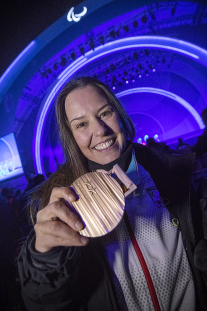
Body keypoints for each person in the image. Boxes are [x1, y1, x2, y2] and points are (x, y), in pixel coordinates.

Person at [18, 77, 207, 311]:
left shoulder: (172, 172)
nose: (99, 130)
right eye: (81, 124)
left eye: (105, 113)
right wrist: (44, 260)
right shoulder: (61, 204)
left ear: (119, 114)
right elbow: (45, 304)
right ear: (71, 136)